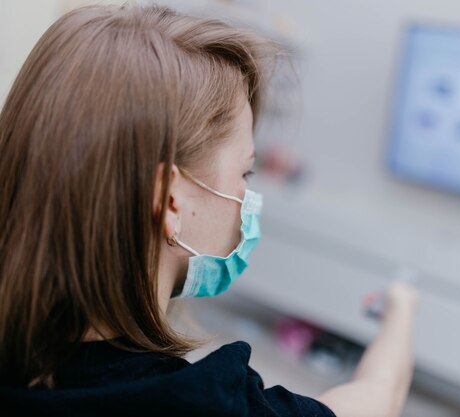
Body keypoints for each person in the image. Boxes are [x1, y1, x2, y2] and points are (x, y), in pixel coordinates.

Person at [0, 4, 419, 417]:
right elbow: (373, 401)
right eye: (246, 173)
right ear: (171, 202)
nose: (248, 199)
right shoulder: (200, 402)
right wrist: (401, 314)